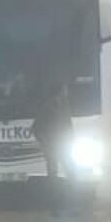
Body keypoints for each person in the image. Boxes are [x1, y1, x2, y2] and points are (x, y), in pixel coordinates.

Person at [32, 81, 73, 214]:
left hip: (65, 147)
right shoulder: (47, 108)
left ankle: (69, 205)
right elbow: (36, 129)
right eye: (64, 90)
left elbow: (68, 127)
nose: (66, 93)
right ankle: (56, 208)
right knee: (53, 179)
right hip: (53, 148)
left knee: (70, 175)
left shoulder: (63, 107)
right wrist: (46, 144)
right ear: (59, 92)